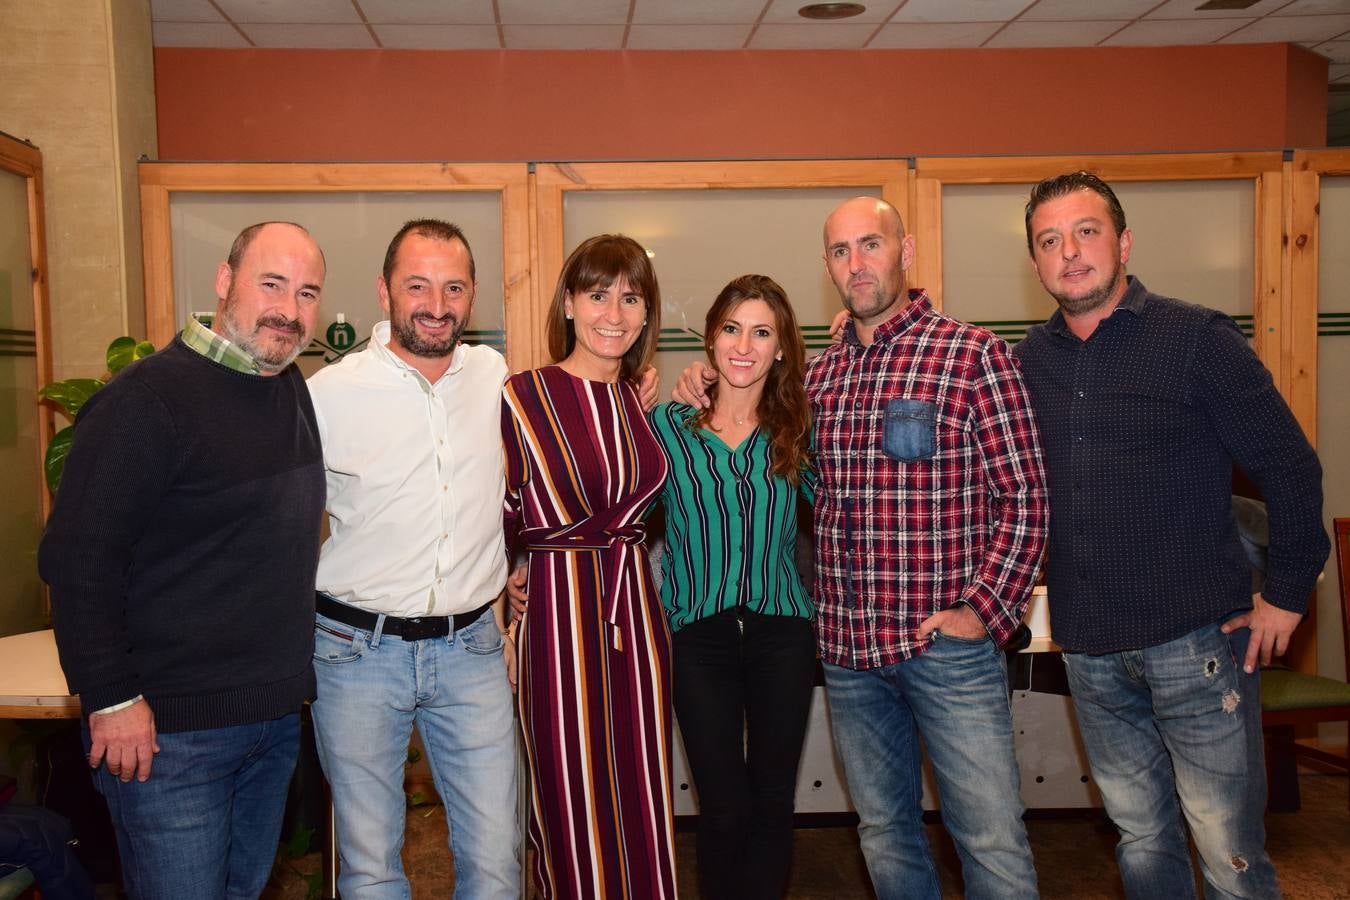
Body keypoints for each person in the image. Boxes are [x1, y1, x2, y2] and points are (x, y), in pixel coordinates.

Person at [676, 197, 1048, 899]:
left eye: (871, 245)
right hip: (849, 655)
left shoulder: (972, 353)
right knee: (884, 835)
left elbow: (1026, 496)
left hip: (948, 649)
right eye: (841, 252)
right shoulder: (817, 382)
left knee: (989, 838)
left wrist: (984, 612)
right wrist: (700, 380)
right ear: (828, 267)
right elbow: (752, 431)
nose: (857, 263)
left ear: (905, 253)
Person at [1015, 171, 1330, 899]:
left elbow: (1289, 467)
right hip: (1090, 650)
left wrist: (1285, 596)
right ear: (1035, 262)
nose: (1070, 253)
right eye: (1050, 241)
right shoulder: (1029, 361)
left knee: (1230, 855)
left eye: (1086, 232)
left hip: (1198, 646)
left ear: (1123, 241)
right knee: (1142, 844)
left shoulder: (1197, 339)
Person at [39, 221, 327, 900]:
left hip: (272, 724)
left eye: (308, 292)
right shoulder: (145, 401)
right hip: (168, 738)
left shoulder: (287, 388)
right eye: (271, 283)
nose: (290, 308)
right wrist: (110, 697)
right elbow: (78, 562)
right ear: (225, 282)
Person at [306, 219, 519, 899]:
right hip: (353, 652)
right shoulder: (327, 395)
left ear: (473, 295)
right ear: (384, 290)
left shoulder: (498, 379)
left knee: (496, 858)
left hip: (472, 649)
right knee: (370, 865)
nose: (437, 304)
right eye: (418, 285)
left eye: (454, 287)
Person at [501, 234, 676, 899]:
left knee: (642, 795)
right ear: (570, 303)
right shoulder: (521, 397)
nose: (614, 312)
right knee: (569, 800)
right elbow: (493, 517)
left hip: (636, 617)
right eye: (598, 294)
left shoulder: (640, 401)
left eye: (631, 297)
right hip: (557, 620)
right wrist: (505, 596)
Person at [650, 274, 817, 900]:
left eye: (762, 332)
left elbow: (847, 512)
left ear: (780, 349)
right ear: (710, 338)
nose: (743, 345)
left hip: (782, 634)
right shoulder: (667, 426)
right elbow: (614, 508)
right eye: (731, 328)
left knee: (773, 803)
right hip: (698, 638)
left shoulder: (797, 429)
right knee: (721, 805)